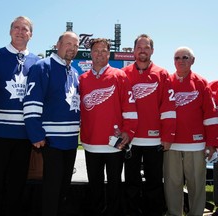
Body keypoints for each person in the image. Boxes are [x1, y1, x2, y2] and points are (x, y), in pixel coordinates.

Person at [0, 16, 40, 216]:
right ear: (10, 31)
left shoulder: (38, 63)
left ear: (31, 34)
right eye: (16, 28)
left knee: (17, 184)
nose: (20, 32)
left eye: (25, 29)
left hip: (24, 135)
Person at [23, 31, 80, 216]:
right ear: (58, 44)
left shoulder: (74, 72)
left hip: (71, 141)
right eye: (68, 44)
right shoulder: (42, 67)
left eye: (75, 45)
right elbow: (32, 102)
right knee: (51, 190)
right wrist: (36, 133)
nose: (72, 48)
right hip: (51, 140)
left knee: (63, 188)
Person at [79, 38, 138, 216]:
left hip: (114, 143)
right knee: (94, 184)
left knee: (114, 184)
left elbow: (129, 107)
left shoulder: (119, 76)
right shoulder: (82, 79)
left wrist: (128, 131)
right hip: (91, 142)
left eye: (104, 51)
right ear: (91, 53)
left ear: (109, 53)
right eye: (96, 51)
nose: (100, 54)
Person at [122, 34, 176, 216]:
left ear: (152, 50)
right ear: (134, 50)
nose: (142, 50)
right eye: (139, 47)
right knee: (131, 182)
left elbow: (168, 108)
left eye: (146, 47)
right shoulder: (124, 74)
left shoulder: (162, 74)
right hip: (131, 139)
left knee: (154, 182)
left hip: (154, 140)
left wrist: (167, 136)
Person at [163, 46, 218, 216]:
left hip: (196, 145)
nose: (180, 61)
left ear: (192, 61)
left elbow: (211, 116)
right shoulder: (166, 82)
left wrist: (212, 143)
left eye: (185, 57)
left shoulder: (201, 83)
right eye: (177, 58)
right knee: (172, 185)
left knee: (197, 186)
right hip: (171, 145)